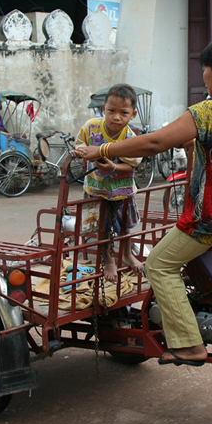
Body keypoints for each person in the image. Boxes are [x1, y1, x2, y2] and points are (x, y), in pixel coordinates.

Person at [75, 40, 212, 366]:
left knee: (158, 263)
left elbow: (155, 142)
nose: (203, 78)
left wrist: (100, 151)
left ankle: (188, 344)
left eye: (204, 70)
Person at [74, 84, 144, 284]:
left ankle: (127, 254)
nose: (116, 117)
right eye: (111, 111)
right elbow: (80, 144)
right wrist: (83, 153)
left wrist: (113, 167)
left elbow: (131, 166)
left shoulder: (131, 137)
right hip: (96, 189)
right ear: (103, 108)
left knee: (125, 228)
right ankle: (108, 260)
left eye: (123, 113)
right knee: (102, 229)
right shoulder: (92, 127)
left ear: (133, 114)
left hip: (122, 191)